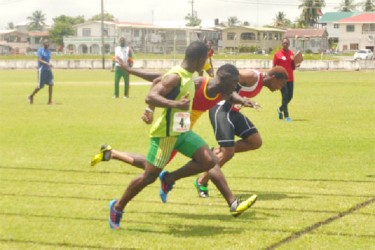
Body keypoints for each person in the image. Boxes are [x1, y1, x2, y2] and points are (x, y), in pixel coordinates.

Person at [92, 59, 259, 230]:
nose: (236, 86)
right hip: (168, 131)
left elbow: (231, 96)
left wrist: (243, 100)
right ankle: (118, 204)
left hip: (183, 130)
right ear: (223, 80)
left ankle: (232, 203)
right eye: (235, 83)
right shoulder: (196, 83)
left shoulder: (223, 91)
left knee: (210, 161)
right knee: (150, 172)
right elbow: (159, 81)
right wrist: (148, 109)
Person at [194, 66, 289, 198]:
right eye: (282, 84)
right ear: (273, 78)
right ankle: (201, 181)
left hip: (233, 112)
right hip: (221, 109)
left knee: (255, 141)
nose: (281, 88)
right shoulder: (252, 76)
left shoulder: (260, 83)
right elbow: (226, 75)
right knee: (228, 153)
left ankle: (216, 151)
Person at [273, 37, 296, 122]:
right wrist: (274, 77)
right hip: (281, 80)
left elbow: (293, 67)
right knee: (285, 95)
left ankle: (280, 109)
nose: (285, 44)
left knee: (290, 96)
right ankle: (286, 116)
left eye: (287, 43)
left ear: (289, 44)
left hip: (290, 78)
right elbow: (274, 67)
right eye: (284, 43)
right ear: (282, 44)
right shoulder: (277, 54)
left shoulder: (291, 54)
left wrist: (294, 62)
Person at [28, 38, 54, 105]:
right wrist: (47, 63)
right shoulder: (40, 50)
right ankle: (31, 96)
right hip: (42, 70)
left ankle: (49, 101)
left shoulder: (48, 51)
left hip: (48, 70)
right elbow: (40, 60)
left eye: (48, 43)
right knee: (40, 87)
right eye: (46, 43)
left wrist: (49, 65)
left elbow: (48, 59)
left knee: (51, 84)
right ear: (43, 44)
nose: (47, 44)